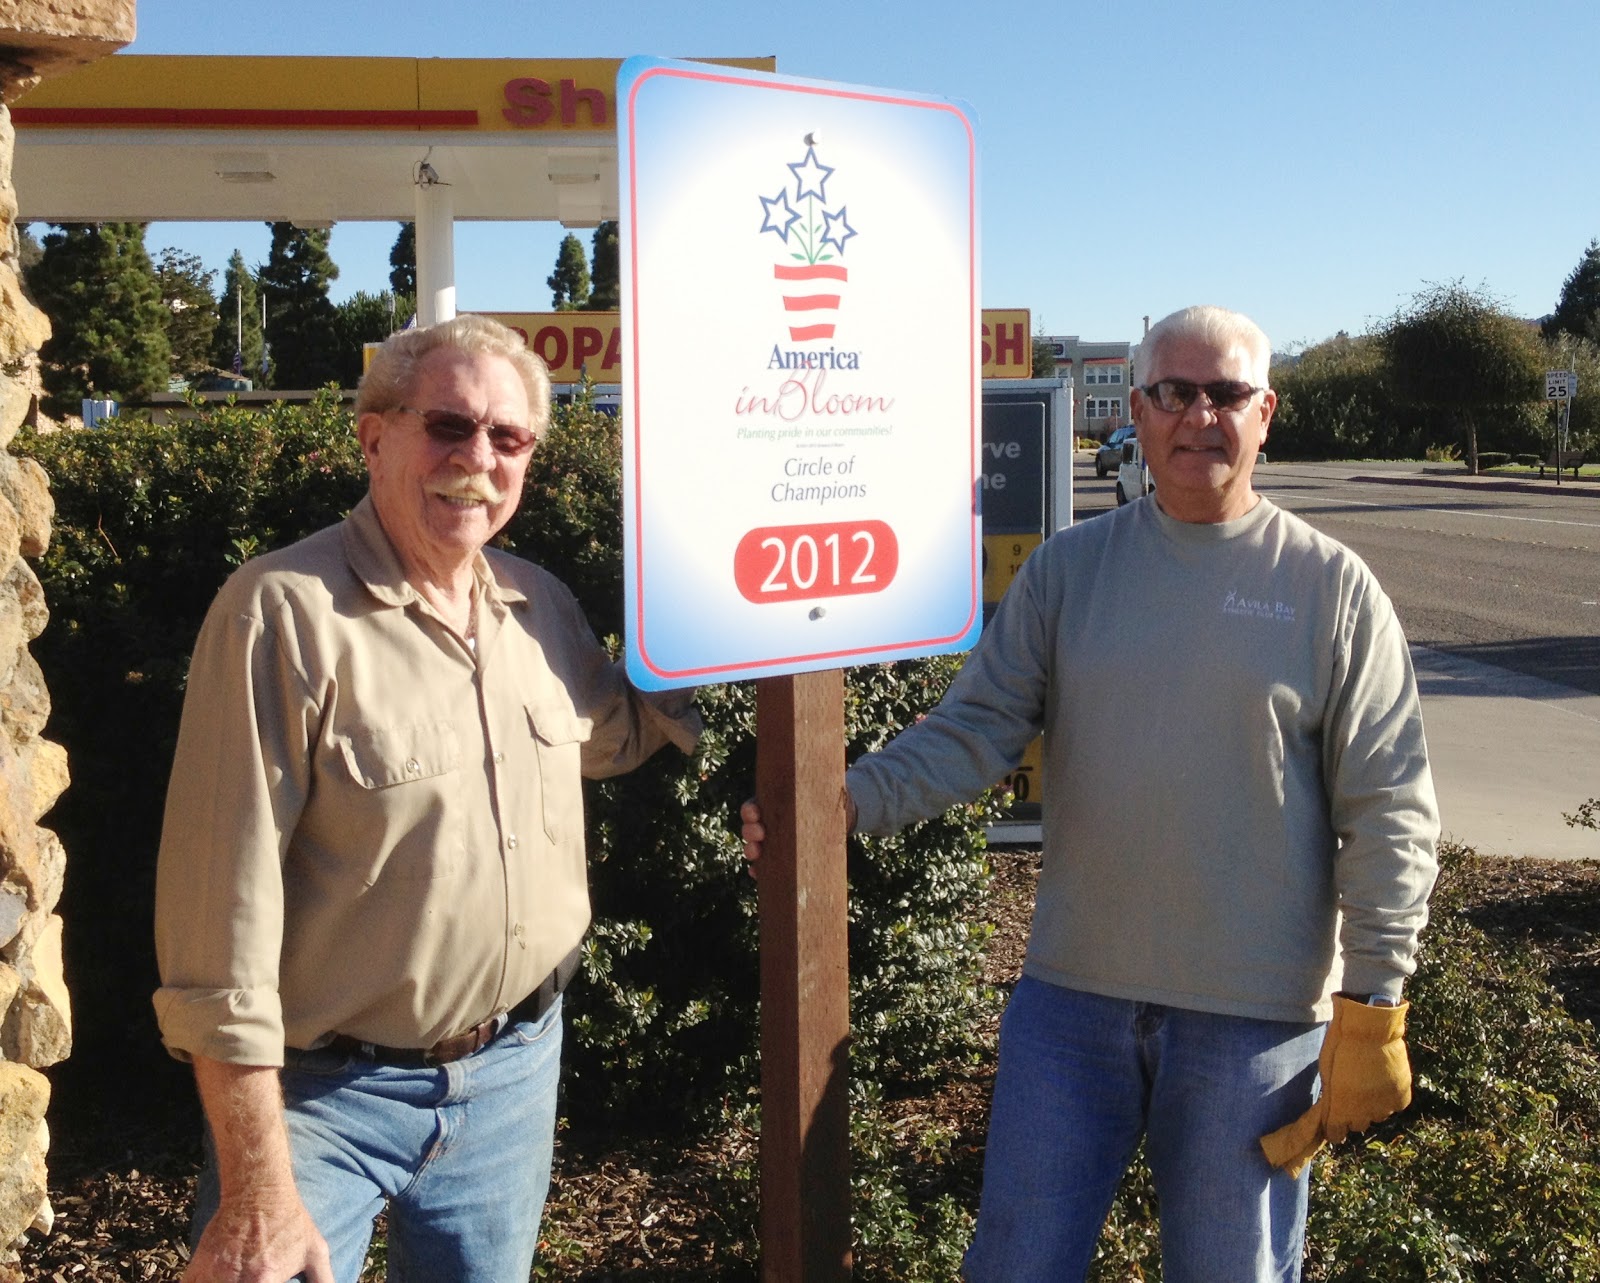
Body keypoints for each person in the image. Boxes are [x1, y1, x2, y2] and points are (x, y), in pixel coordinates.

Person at [741, 305, 1438, 1282]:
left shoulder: (1333, 589)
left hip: (1258, 1022)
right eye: (1173, 392)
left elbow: (1389, 805)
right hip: (1070, 1007)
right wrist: (844, 801)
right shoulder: (1071, 570)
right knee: (1016, 1265)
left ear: (1265, 411)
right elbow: (977, 727)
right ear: (1139, 416)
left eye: (1225, 393)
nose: (1200, 414)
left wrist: (1374, 997)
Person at [153, 314, 700, 1283]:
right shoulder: (280, 610)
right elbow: (215, 925)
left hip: (513, 1075)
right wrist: (256, 1187)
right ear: (374, 435)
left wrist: (735, 629)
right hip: (323, 1100)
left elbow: (612, 737)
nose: (477, 458)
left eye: (509, 437)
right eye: (448, 425)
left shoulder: (538, 605)